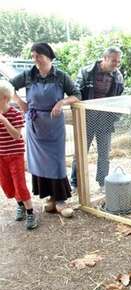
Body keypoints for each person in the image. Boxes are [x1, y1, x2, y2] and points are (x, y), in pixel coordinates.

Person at [11, 43, 81, 218]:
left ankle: (61, 200)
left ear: (48, 57)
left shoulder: (60, 76)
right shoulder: (28, 75)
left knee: (56, 161)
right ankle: (50, 198)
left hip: (54, 126)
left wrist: (61, 102)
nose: (35, 59)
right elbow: (7, 86)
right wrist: (20, 102)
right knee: (40, 162)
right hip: (35, 125)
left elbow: (77, 95)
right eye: (33, 56)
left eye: (39, 56)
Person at [70, 47, 124, 192]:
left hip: (105, 120)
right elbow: (75, 93)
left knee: (104, 154)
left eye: (118, 61)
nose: (116, 64)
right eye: (113, 61)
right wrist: (78, 116)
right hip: (86, 118)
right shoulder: (86, 72)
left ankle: (102, 183)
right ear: (104, 58)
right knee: (80, 152)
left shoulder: (118, 76)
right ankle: (75, 183)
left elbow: (119, 100)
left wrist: (114, 117)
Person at [0, 80, 38, 230]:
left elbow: (16, 135)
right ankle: (20, 205)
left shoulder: (15, 114)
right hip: (1, 155)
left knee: (19, 184)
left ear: (4, 98)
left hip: (15, 154)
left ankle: (30, 213)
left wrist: (4, 120)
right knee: (7, 184)